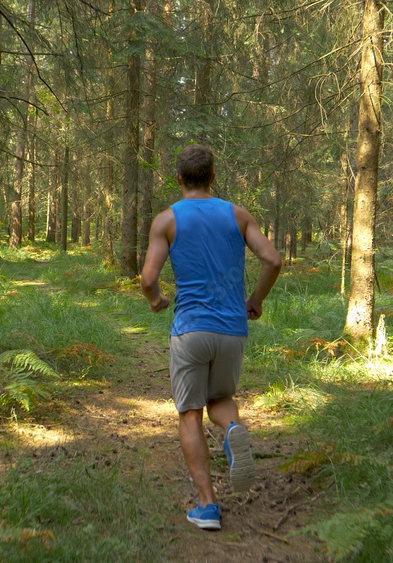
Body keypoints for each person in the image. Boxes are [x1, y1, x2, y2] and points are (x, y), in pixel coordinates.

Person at [140, 144, 282, 531]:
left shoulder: (167, 220)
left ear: (179, 179)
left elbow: (149, 278)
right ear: (214, 178)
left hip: (190, 328)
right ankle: (233, 430)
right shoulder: (238, 215)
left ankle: (208, 506)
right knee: (221, 400)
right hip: (232, 329)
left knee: (190, 413)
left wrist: (156, 301)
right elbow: (273, 260)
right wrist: (254, 300)